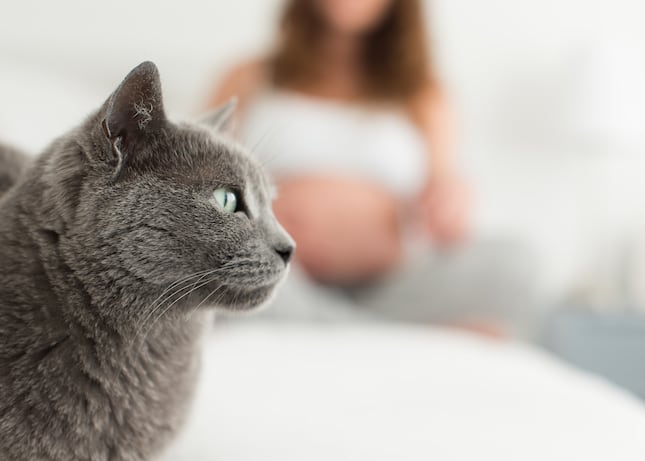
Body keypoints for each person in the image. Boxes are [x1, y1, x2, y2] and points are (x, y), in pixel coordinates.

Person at [208, 0, 540, 338]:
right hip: (281, 274)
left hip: (394, 286)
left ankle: (334, 326)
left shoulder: (424, 92)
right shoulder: (248, 76)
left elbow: (444, 191)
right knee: (218, 263)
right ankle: (380, 332)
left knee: (517, 262)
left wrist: (450, 201)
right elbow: (198, 180)